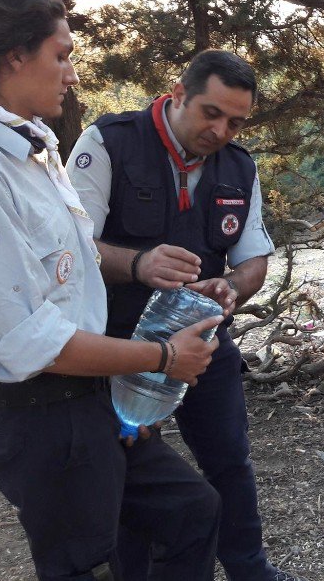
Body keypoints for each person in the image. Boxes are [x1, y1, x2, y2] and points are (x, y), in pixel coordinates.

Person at [0, 0, 222, 580]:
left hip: (92, 400)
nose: (72, 74)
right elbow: (34, 340)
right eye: (62, 56)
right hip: (45, 420)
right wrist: (161, 357)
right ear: (14, 55)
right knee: (86, 567)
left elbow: (72, 276)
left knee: (191, 511)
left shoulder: (30, 149)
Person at [66, 50, 294, 581]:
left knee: (231, 461)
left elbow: (254, 256)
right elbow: (70, 248)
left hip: (206, 344)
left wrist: (229, 288)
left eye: (236, 122)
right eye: (210, 113)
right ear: (178, 94)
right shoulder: (108, 142)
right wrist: (138, 263)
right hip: (119, 346)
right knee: (129, 475)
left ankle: (249, 568)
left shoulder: (240, 166)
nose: (221, 131)